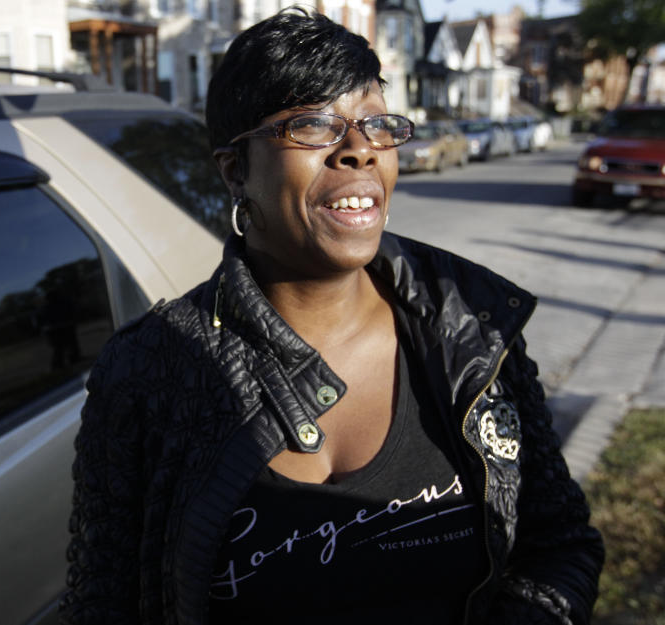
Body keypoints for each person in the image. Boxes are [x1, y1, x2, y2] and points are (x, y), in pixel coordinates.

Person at [60, 8, 603, 625]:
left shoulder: (473, 328)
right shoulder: (151, 370)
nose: (359, 151)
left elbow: (558, 544)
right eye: (313, 125)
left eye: (376, 124)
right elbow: (102, 606)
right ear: (235, 169)